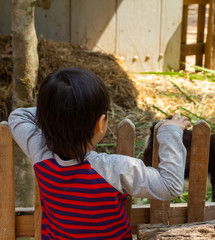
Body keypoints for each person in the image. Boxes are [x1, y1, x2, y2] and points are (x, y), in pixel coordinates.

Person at [8, 67, 191, 240]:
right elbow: (170, 185)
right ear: (100, 124)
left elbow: (18, 116)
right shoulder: (115, 169)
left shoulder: (40, 154)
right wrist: (170, 131)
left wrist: (55, 113)